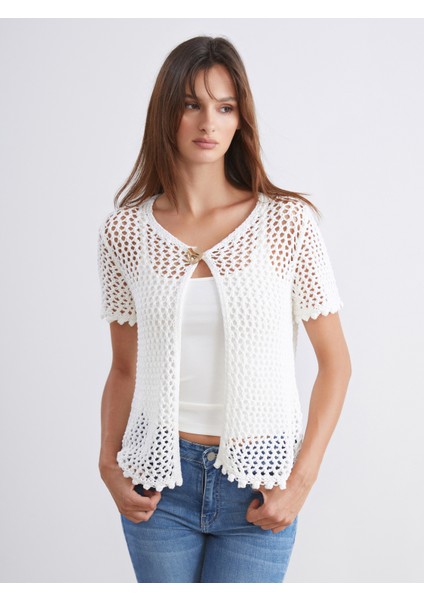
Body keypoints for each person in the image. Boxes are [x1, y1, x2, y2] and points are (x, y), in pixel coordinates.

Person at [97, 35, 352, 583]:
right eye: (191, 104)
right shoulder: (124, 233)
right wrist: (107, 464)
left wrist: (301, 480)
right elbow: (123, 368)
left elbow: (336, 364)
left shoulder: (287, 223)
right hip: (157, 483)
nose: (208, 122)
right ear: (166, 113)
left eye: (225, 107)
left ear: (241, 119)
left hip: (261, 481)